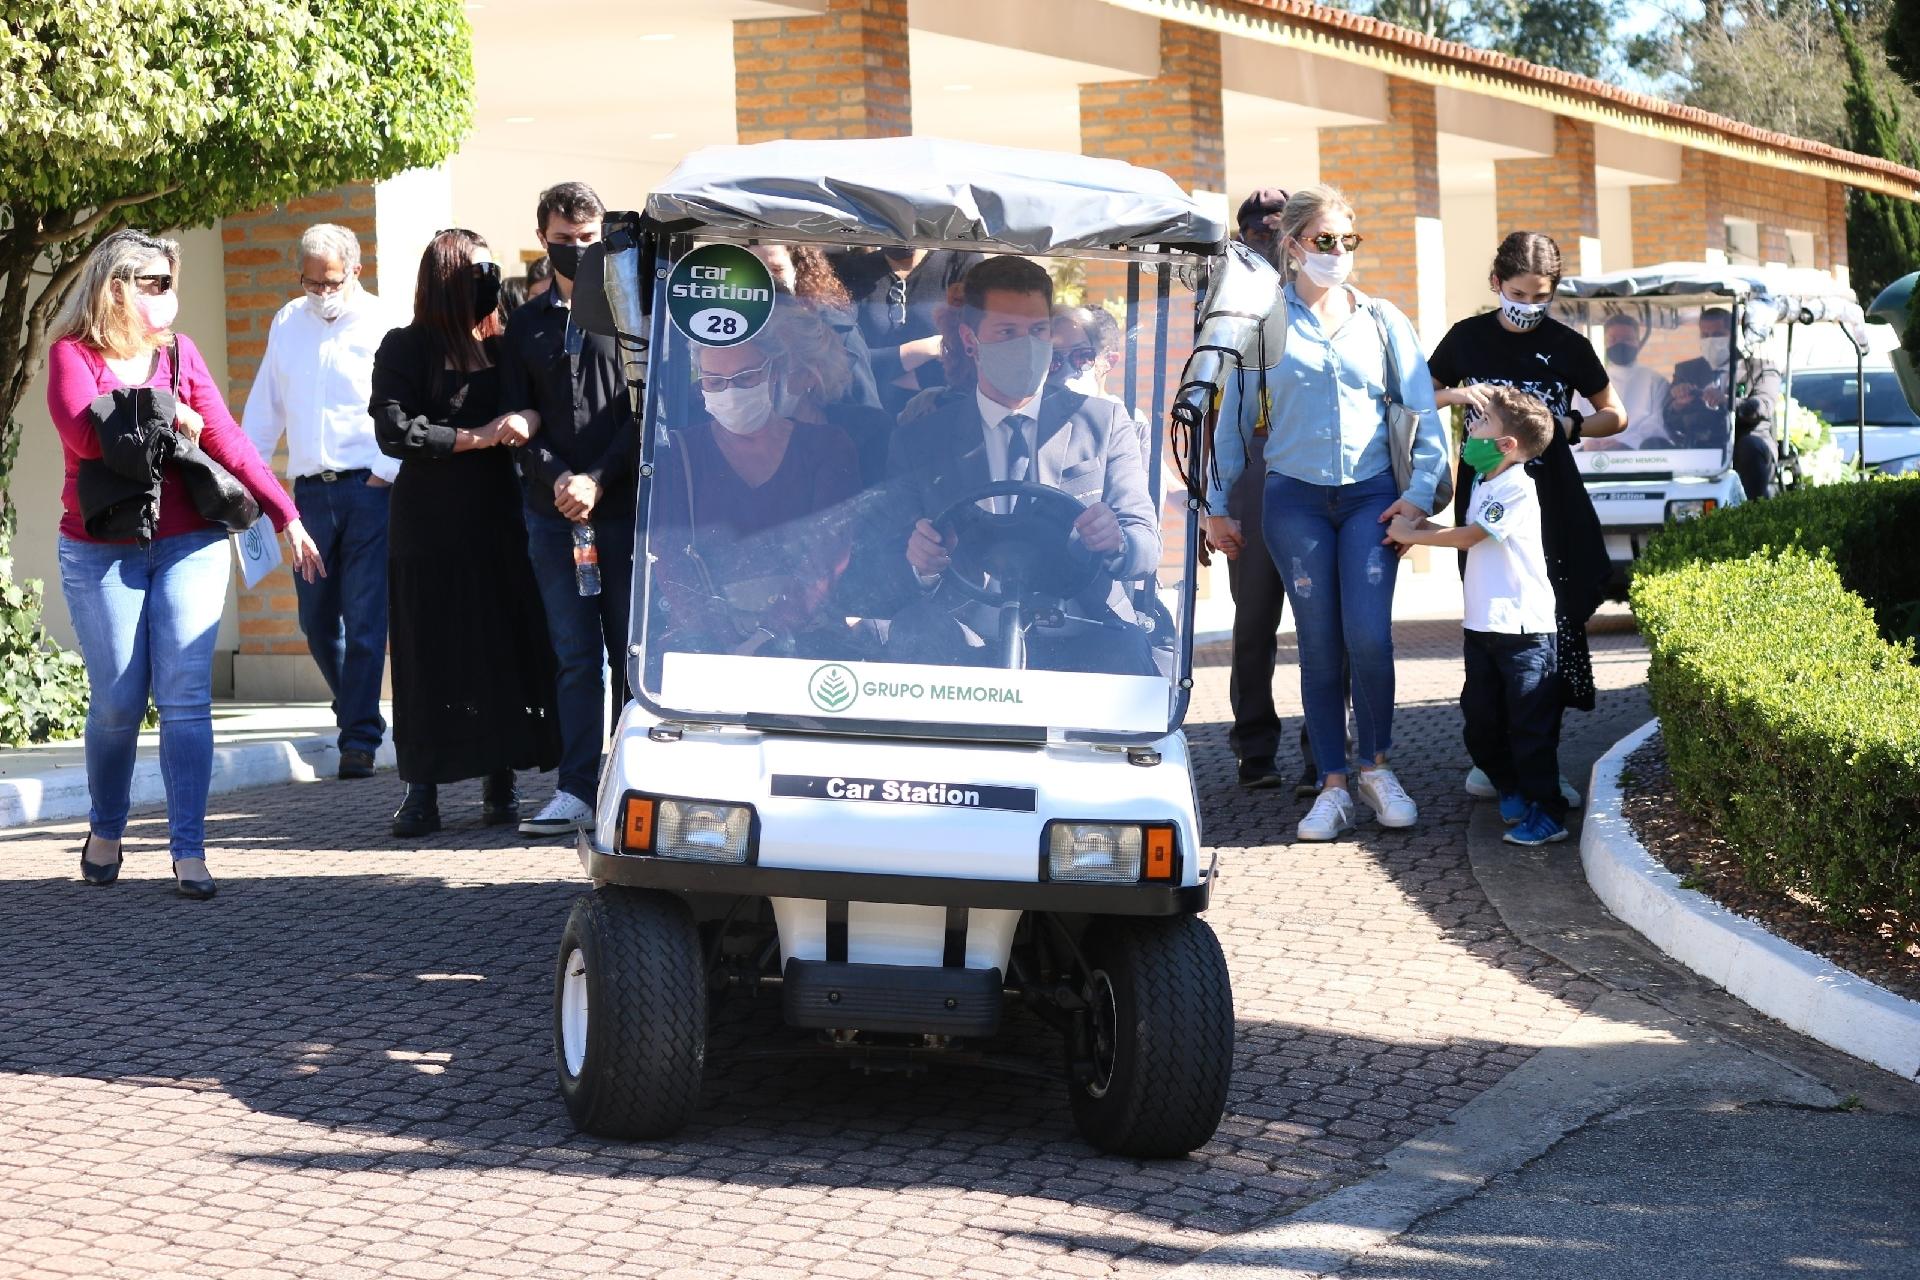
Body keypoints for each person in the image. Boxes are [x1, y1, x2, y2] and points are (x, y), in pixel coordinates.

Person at [47, 229, 323, 899]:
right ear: (117, 288)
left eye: (173, 284)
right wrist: (174, 416)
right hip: (101, 547)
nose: (170, 298)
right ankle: (107, 829)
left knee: (185, 699)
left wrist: (286, 514)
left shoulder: (181, 353)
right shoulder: (72, 355)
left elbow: (224, 435)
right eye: (157, 284)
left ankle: (189, 851)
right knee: (117, 701)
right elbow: (90, 436)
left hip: (190, 540)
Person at [1204, 186, 1450, 841]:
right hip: (1294, 500)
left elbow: (1421, 412)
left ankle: (1375, 768)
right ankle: (1333, 787)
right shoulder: (1264, 324)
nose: (1339, 253)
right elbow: (1231, 420)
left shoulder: (1383, 320)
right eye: (1325, 241)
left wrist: (1421, 493)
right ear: (1292, 245)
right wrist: (1216, 507)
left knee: (1367, 638)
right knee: (1316, 645)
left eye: (1349, 241)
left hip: (1372, 498)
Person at [879, 255, 1161, 675]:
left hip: (1081, 629)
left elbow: (1146, 544)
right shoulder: (921, 440)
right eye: (1008, 332)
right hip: (964, 641)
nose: (1026, 345)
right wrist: (920, 563)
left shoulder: (1102, 422)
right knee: (913, 633)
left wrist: (1116, 540)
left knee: (1127, 653)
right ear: (970, 339)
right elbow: (887, 562)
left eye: (1037, 331)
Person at [371, 228, 560, 838]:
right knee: (428, 651)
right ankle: (420, 788)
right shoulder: (405, 346)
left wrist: (526, 418)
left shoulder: (504, 345)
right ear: (448, 277)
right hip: (427, 522)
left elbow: (539, 408)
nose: (489, 279)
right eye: (477, 269)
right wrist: (475, 437)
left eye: (493, 269)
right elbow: (395, 430)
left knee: (496, 644)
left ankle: (499, 779)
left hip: (499, 516)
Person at [1428, 231, 1625, 807]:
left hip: (1553, 508)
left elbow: (1615, 414)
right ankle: (1494, 759)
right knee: (1489, 630)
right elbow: (1417, 394)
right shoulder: (1466, 339)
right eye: (1519, 293)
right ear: (1496, 284)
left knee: (1549, 636)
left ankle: (1542, 767)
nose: (1528, 307)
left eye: (1541, 297)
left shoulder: (1567, 344)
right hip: (1486, 501)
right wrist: (1462, 398)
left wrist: (1572, 427)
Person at [498, 182, 639, 839]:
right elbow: (519, 420)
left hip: (624, 507)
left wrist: (599, 479)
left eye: (590, 240)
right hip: (553, 513)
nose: (578, 251)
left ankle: (632, 784)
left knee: (631, 654)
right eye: (565, 240)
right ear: (543, 237)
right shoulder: (524, 323)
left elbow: (648, 413)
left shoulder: (634, 310)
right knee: (577, 656)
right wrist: (561, 479)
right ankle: (578, 789)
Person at [242, 223, 397, 782]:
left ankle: (358, 738)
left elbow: (403, 408)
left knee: (363, 618)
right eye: (309, 283)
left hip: (369, 489)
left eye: (329, 282)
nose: (320, 293)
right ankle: (353, 706)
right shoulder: (288, 321)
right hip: (308, 494)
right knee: (314, 619)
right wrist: (249, 480)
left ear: (355, 270)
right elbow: (265, 410)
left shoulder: (385, 323)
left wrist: (385, 473)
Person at [1385, 386, 1568, 845]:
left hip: (1523, 632)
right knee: (1481, 724)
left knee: (1530, 729)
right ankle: (1510, 788)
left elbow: (1471, 538)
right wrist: (1418, 528)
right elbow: (1468, 532)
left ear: (1507, 445)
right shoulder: (1488, 484)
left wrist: (1417, 534)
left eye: (1483, 425)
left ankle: (1548, 812)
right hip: (1483, 629)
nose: (1472, 431)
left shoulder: (1517, 486)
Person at [650, 312, 863, 657]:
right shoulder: (676, 454)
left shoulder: (827, 447)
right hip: (706, 645)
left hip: (805, 640)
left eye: (746, 378)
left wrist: (770, 634)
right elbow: (671, 561)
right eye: (715, 382)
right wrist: (722, 642)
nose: (730, 392)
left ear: (774, 373)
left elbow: (827, 555)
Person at [1202, 187, 1316, 793]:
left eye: (1281, 227)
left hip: (1315, 469)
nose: (1270, 237)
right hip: (1248, 466)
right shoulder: (1222, 300)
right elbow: (1200, 403)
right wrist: (1210, 501)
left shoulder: (1323, 299)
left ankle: (1322, 751)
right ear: (1242, 234)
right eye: (1259, 227)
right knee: (1254, 624)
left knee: (1321, 624)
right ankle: (1254, 748)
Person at [836, 245, 981, 418]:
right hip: (870, 419)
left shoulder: (959, 260)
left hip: (941, 417)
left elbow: (971, 356)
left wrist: (886, 372)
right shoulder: (854, 270)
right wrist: (927, 349)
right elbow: (841, 361)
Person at [1663, 306, 1782, 498]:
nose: (1711, 340)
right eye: (1705, 334)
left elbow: (1763, 406)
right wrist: (1678, 404)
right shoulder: (1687, 370)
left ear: (1733, 333)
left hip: (1744, 447)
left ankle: (1756, 510)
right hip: (1700, 448)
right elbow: (1668, 416)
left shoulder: (1760, 368)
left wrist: (1727, 401)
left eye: (1718, 334)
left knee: (1750, 446)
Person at [750, 243, 883, 413]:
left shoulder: (838, 331)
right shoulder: (726, 333)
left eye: (777, 270)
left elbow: (867, 412)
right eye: (756, 271)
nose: (768, 281)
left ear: (797, 272)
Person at [1578, 313, 1668, 451]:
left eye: (1627, 339)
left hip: (1639, 458)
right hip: (1593, 457)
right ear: (1605, 342)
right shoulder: (1587, 380)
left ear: (1638, 342)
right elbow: (1576, 418)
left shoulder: (1655, 381)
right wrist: (1587, 443)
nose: (1620, 344)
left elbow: (1657, 422)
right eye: (1613, 339)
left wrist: (1627, 443)